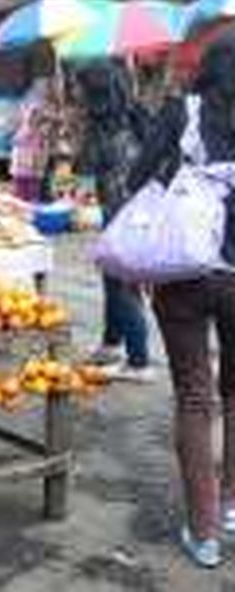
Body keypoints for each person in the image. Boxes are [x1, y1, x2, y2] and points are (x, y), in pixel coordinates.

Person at [127, 36, 235, 568]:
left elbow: (138, 177)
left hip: (185, 272)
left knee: (196, 396)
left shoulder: (179, 112)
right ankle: (233, 507)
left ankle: (205, 531)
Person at [75, 63, 153, 383]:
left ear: (96, 93)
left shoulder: (103, 126)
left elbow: (84, 168)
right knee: (113, 277)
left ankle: (139, 361)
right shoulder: (135, 114)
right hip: (138, 209)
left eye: (81, 88)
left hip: (122, 212)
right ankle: (111, 344)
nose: (76, 94)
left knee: (123, 283)